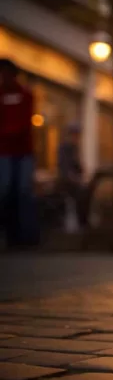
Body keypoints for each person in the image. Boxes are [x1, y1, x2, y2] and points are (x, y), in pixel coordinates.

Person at [0, 58, 38, 248]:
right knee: (4, 190)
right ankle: (9, 234)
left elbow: (24, 123)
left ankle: (25, 236)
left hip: (23, 152)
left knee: (23, 191)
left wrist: (8, 131)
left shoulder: (25, 94)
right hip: (4, 152)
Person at [57, 124, 88, 229]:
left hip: (74, 182)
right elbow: (65, 169)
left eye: (78, 136)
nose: (76, 138)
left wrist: (82, 170)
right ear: (70, 135)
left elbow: (78, 167)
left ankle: (82, 223)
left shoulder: (75, 148)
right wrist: (75, 179)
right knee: (80, 195)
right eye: (74, 135)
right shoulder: (64, 148)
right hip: (67, 182)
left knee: (85, 193)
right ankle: (80, 224)